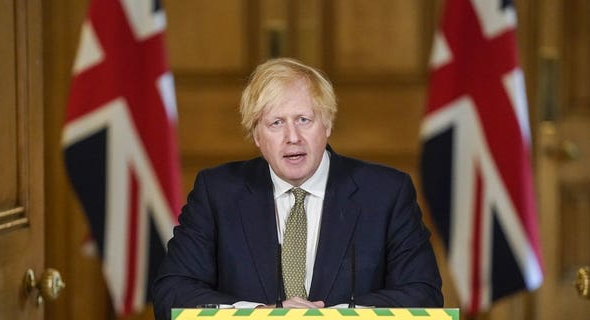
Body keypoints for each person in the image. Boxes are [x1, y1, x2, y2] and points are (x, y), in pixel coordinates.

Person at [152, 58, 443, 320]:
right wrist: (265, 316)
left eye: (304, 120)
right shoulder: (217, 193)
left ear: (327, 124)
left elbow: (423, 295)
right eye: (276, 123)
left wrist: (331, 317)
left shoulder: (386, 193)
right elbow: (172, 293)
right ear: (256, 134)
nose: (293, 137)